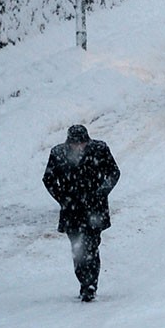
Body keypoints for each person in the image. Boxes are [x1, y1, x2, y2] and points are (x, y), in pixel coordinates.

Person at [42, 124, 120, 302]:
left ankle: (90, 286)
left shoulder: (100, 150)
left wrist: (101, 193)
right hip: (72, 210)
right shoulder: (58, 153)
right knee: (77, 248)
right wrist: (63, 198)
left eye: (82, 143)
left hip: (95, 209)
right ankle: (84, 281)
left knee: (91, 246)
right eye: (75, 144)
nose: (79, 147)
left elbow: (114, 172)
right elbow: (48, 179)